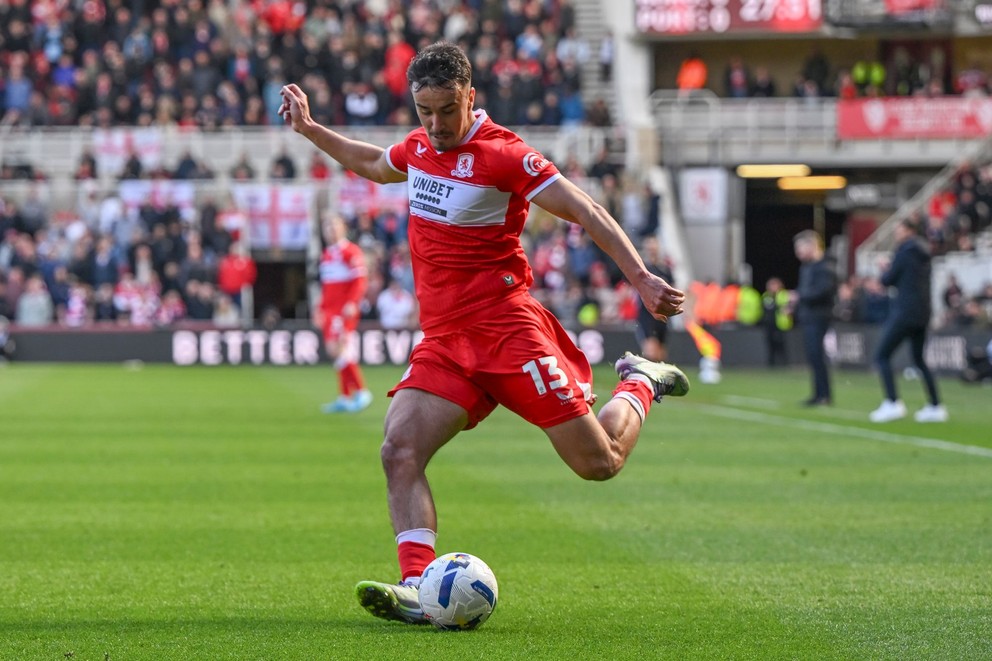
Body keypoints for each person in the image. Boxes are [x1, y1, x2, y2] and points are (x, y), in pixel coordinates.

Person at [279, 42, 689, 625]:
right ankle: (418, 587)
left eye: (448, 110)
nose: (436, 124)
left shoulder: (505, 155)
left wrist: (642, 278)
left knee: (599, 462)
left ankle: (641, 382)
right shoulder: (420, 149)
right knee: (399, 449)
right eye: (425, 111)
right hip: (446, 340)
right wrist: (311, 129)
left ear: (471, 97)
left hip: (506, 331)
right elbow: (373, 163)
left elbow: (587, 211)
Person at [869, 219, 947, 423]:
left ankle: (892, 402)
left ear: (910, 231)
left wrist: (885, 269)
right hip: (923, 313)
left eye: (899, 229)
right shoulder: (924, 252)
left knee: (882, 355)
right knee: (919, 360)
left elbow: (888, 280)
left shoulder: (904, 251)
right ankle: (935, 406)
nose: (896, 233)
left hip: (905, 312)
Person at [315, 212, 373, 414]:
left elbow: (360, 279)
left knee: (340, 348)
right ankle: (345, 397)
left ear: (343, 227)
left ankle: (362, 392)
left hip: (343, 308)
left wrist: (352, 302)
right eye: (327, 226)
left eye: (334, 225)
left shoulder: (350, 251)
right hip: (330, 309)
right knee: (336, 350)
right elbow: (326, 286)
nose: (330, 229)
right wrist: (320, 308)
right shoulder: (326, 254)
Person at [793, 230, 835, 405]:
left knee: (817, 355)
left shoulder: (825, 266)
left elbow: (823, 291)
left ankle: (824, 395)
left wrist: (799, 296)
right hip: (808, 316)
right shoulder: (807, 267)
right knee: (813, 355)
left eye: (800, 247)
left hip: (819, 316)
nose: (798, 252)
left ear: (812, 246)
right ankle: (818, 394)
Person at [635, 236, 674, 362]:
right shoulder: (641, 268)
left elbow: (672, 289)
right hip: (646, 314)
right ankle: (648, 372)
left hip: (662, 315)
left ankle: (659, 374)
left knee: (661, 353)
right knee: (651, 350)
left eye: (654, 245)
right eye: (649, 245)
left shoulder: (665, 269)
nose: (652, 248)